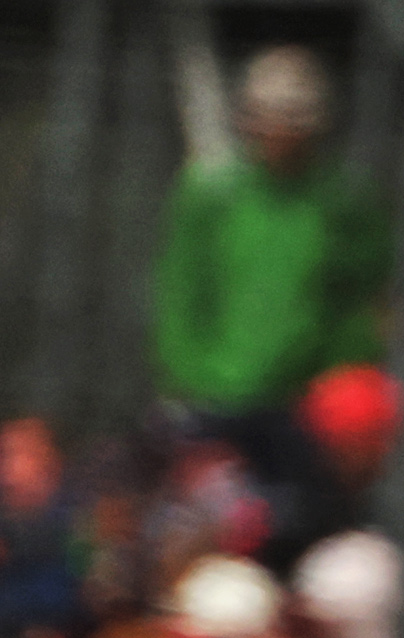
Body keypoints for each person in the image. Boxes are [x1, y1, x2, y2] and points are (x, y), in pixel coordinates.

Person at [151, 49, 390, 425]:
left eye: (294, 123)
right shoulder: (212, 196)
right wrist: (191, 378)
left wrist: (330, 380)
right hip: (209, 395)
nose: (281, 135)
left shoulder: (341, 204)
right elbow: (182, 293)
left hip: (300, 406)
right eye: (269, 120)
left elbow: (363, 303)